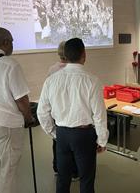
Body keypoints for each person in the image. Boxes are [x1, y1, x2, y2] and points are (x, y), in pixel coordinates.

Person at [37, 38, 109, 193]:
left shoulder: (51, 80)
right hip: (84, 135)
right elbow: (99, 115)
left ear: (65, 55)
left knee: (62, 179)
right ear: (84, 55)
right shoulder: (92, 81)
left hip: (62, 133)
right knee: (86, 179)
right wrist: (102, 140)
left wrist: (54, 132)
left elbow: (42, 112)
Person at [0, 27, 35, 193]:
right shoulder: (10, 64)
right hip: (6, 123)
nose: (13, 46)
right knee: (8, 168)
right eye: (12, 42)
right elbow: (22, 100)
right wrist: (29, 117)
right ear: (5, 42)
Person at [47, 41, 78, 180]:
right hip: (72, 110)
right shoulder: (75, 70)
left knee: (57, 141)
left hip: (56, 110)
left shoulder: (52, 69)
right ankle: (73, 171)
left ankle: (57, 167)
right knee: (73, 142)